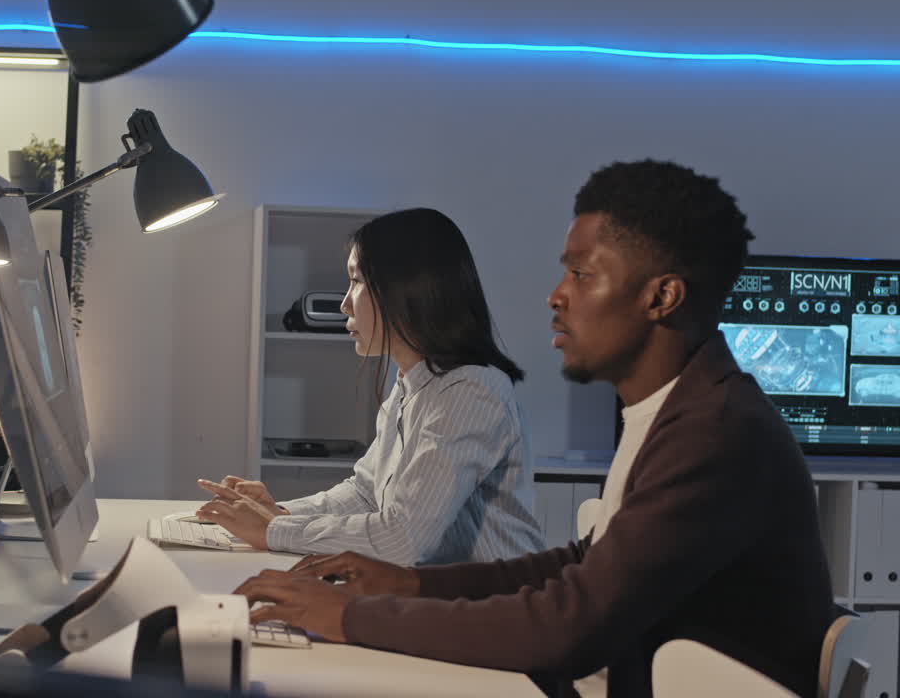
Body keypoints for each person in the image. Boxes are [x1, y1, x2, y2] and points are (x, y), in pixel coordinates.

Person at [233, 160, 835, 698]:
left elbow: (569, 622)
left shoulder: (715, 434)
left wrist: (352, 617)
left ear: (662, 297)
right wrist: (410, 584)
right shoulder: (678, 412)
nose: (555, 296)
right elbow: (581, 566)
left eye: (583, 275)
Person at [197, 207, 544, 566]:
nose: (345, 303)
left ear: (408, 290)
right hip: (439, 598)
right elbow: (365, 494)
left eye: (357, 281)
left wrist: (273, 530)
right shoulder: (412, 382)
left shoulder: (471, 390)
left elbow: (403, 538)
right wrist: (276, 512)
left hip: (490, 608)